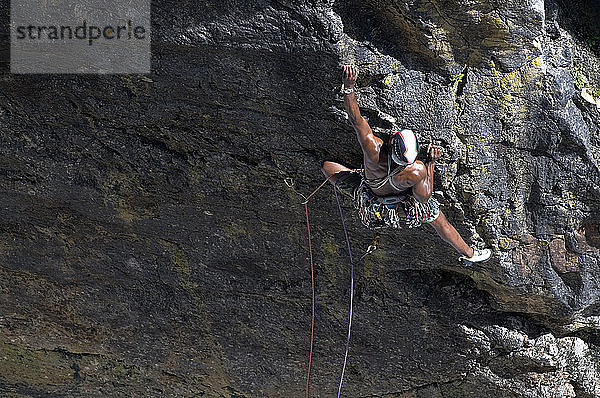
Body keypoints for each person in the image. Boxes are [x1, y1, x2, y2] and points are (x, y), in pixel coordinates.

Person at [322, 65, 491, 264]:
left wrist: (349, 86)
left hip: (370, 195)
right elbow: (423, 196)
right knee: (440, 221)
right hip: (405, 201)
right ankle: (470, 254)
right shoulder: (417, 170)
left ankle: (363, 178)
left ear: (393, 143)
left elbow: (355, 119)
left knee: (328, 167)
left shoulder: (373, 149)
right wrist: (430, 163)